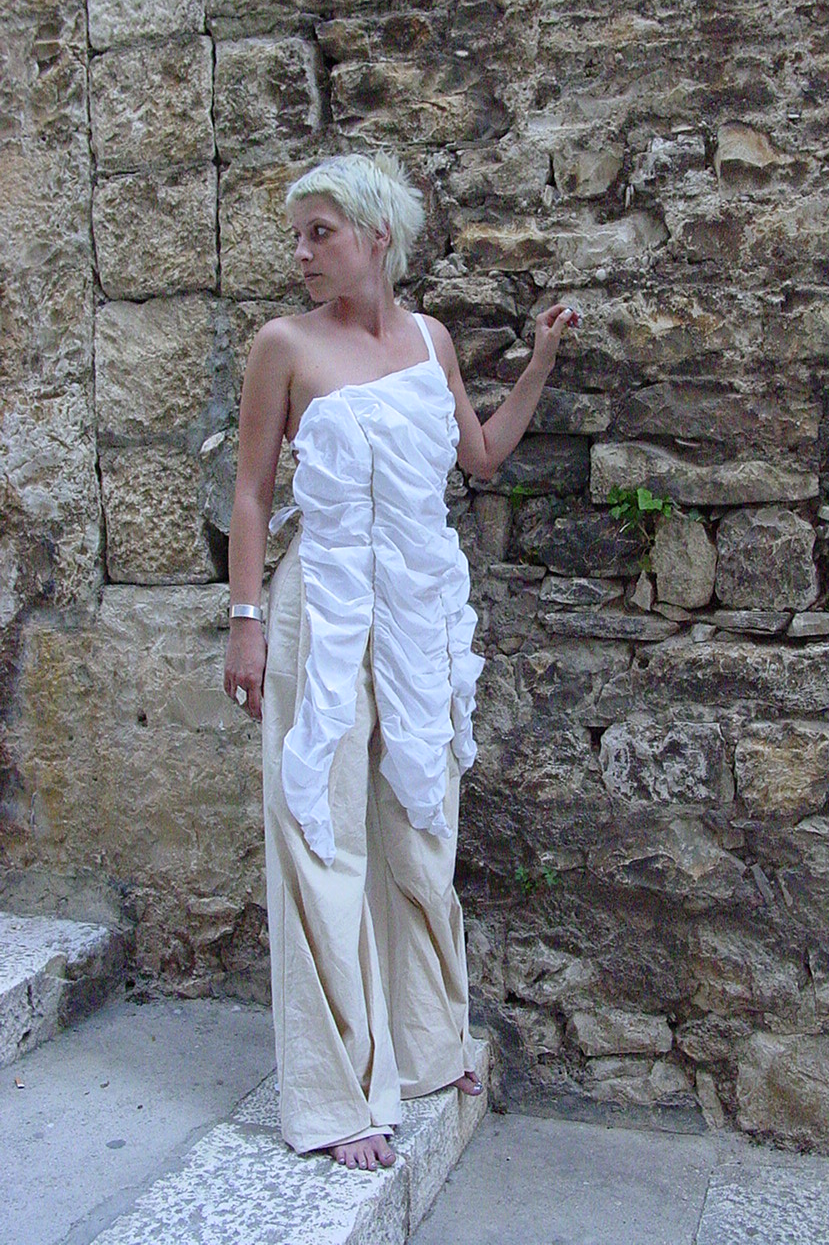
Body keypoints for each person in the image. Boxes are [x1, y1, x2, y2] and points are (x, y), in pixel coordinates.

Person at [223, 152, 578, 1172]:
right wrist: (245, 619)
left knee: (423, 823)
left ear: (378, 235)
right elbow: (252, 490)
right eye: (297, 235)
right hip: (322, 608)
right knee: (319, 832)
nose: (302, 252)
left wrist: (539, 365)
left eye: (320, 231)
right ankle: (336, 1093)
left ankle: (424, 1045)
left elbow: (481, 457)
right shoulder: (284, 344)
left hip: (419, 611)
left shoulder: (430, 339)